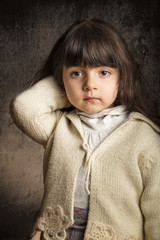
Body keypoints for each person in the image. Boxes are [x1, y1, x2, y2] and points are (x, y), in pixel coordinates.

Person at [10, 19, 160, 240]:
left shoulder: (143, 137)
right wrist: (66, 85)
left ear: (122, 76)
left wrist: (75, 79)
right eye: (77, 73)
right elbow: (23, 107)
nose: (90, 84)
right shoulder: (60, 127)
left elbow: (157, 212)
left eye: (104, 72)